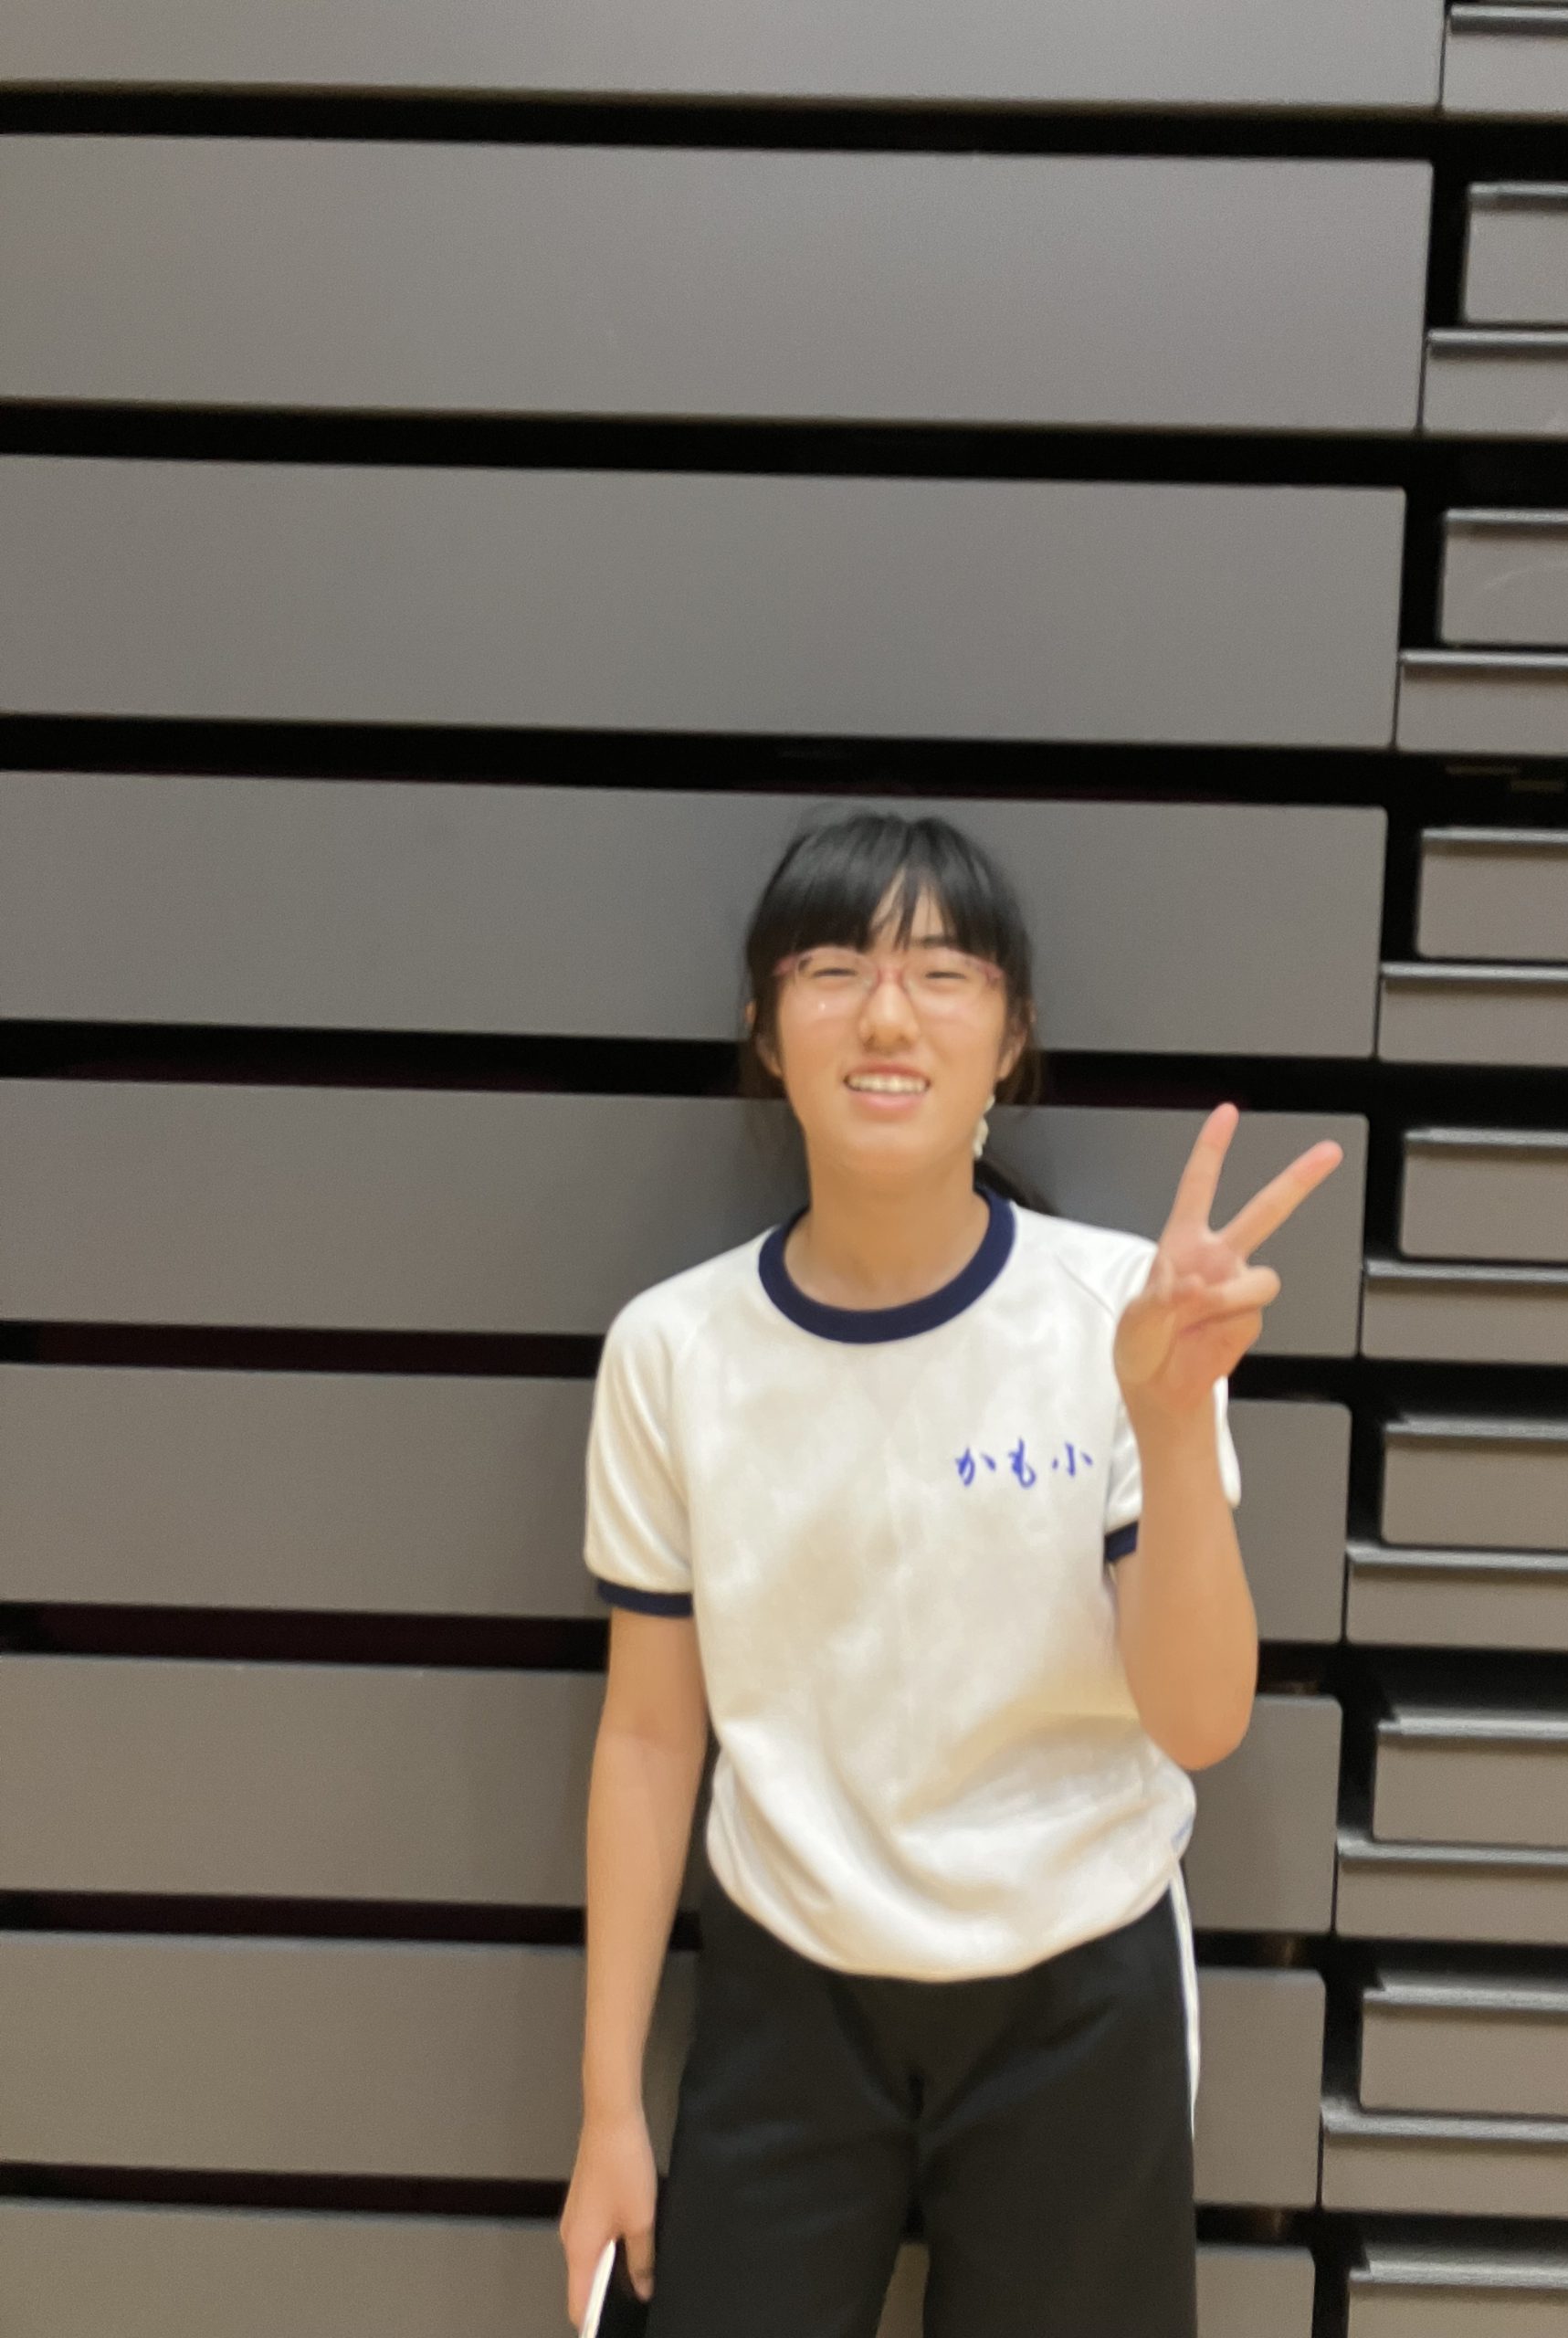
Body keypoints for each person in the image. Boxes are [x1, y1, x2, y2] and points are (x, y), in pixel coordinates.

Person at [558, 808, 1342, 2336]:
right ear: (765, 1029)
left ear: (1011, 1038)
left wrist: (1170, 1420)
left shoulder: (1122, 1314)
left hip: (1078, 1985)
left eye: (943, 973)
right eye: (833, 969)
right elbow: (649, 1739)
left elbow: (1198, 1722)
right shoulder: (674, 1348)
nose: (886, 1014)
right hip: (788, 1982)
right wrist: (606, 2112)